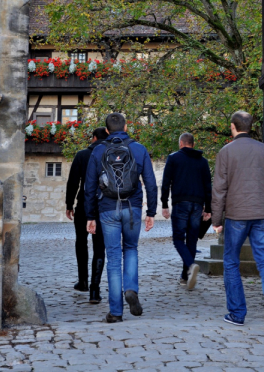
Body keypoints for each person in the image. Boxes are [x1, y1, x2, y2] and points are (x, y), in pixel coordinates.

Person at [211, 111, 264, 330]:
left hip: (236, 215)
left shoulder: (226, 152)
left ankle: (237, 313)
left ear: (233, 126)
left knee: (231, 262)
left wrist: (216, 220)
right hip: (262, 214)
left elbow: (219, 189)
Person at [85, 113, 157, 323]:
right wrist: (151, 212)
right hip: (132, 208)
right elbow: (151, 184)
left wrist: (90, 216)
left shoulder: (98, 150)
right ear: (126, 127)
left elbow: (89, 187)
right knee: (131, 249)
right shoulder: (139, 148)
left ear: (106, 131)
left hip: (107, 209)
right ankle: (131, 289)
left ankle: (116, 312)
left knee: (114, 258)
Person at [161, 132, 212, 290]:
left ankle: (190, 266)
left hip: (180, 203)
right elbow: (208, 186)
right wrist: (208, 208)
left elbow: (166, 182)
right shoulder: (203, 162)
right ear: (193, 144)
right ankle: (185, 276)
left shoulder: (174, 158)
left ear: (181, 143)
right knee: (192, 240)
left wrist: (164, 204)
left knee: (178, 239)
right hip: (197, 205)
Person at [66, 127, 107, 303]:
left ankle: (83, 281)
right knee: (100, 246)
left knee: (81, 242)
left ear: (93, 138)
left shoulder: (82, 155)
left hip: (84, 204)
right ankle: (94, 290)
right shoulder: (111, 155)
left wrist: (69, 204)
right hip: (104, 205)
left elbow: (73, 181)